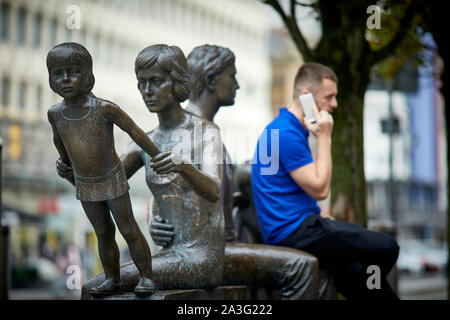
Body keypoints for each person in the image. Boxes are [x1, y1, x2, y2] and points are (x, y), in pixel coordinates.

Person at [150, 44, 335, 299]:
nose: (236, 84)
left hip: (221, 244)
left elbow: (217, 178)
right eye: (232, 76)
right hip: (212, 251)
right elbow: (163, 181)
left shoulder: (204, 129)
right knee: (304, 267)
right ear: (213, 80)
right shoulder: (192, 131)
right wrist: (154, 219)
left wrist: (249, 171)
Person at [57, 44, 226, 297]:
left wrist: (184, 166)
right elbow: (103, 188)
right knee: (101, 283)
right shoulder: (143, 144)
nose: (147, 91)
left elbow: (214, 191)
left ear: (177, 82)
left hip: (201, 257)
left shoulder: (205, 132)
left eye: (155, 82)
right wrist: (72, 174)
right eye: (141, 83)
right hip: (167, 254)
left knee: (97, 286)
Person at [251, 62, 400, 300]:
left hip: (302, 228)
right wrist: (325, 137)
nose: (334, 104)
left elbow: (290, 192)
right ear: (306, 97)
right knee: (387, 247)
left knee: (377, 293)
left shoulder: (281, 129)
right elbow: (320, 189)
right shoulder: (285, 133)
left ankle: (369, 286)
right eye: (329, 97)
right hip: (297, 233)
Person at [47, 42, 157, 296]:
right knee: (103, 232)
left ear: (88, 75)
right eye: (57, 73)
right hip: (85, 181)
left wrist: (158, 157)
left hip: (112, 178)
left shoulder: (104, 108)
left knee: (128, 228)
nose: (65, 79)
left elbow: (135, 132)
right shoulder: (55, 114)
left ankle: (147, 277)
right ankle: (113, 278)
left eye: (73, 72)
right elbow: (59, 140)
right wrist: (64, 164)